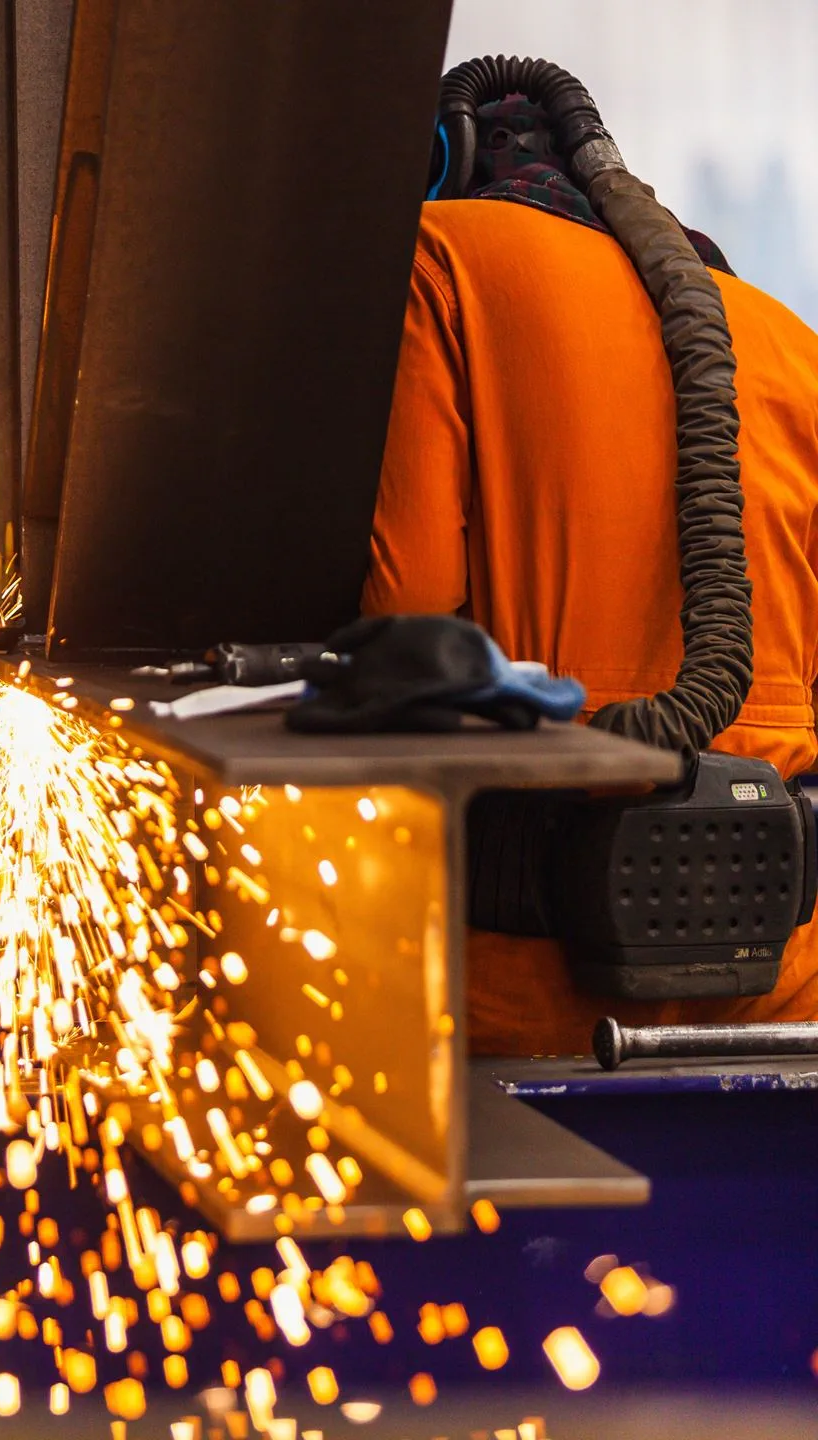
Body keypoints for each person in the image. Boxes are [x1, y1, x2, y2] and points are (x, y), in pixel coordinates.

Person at [363, 72, 818, 1055]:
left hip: (528, 997)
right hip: (782, 1008)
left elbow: (403, 621)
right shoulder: (788, 341)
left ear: (448, 164)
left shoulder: (438, 259)